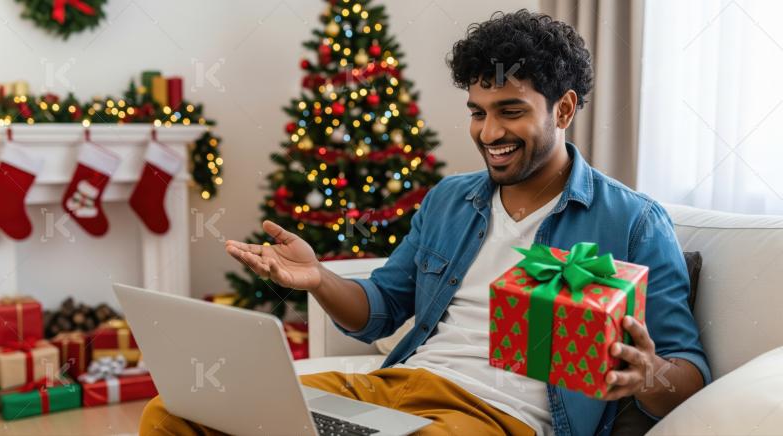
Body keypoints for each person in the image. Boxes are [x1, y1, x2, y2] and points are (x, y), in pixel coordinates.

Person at [140, 9, 710, 436]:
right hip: (395, 388)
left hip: (502, 417)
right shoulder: (451, 200)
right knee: (176, 411)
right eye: (478, 113)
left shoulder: (631, 222)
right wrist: (318, 280)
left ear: (562, 109)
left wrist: (648, 374)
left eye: (511, 111)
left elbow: (688, 378)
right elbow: (381, 309)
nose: (489, 134)